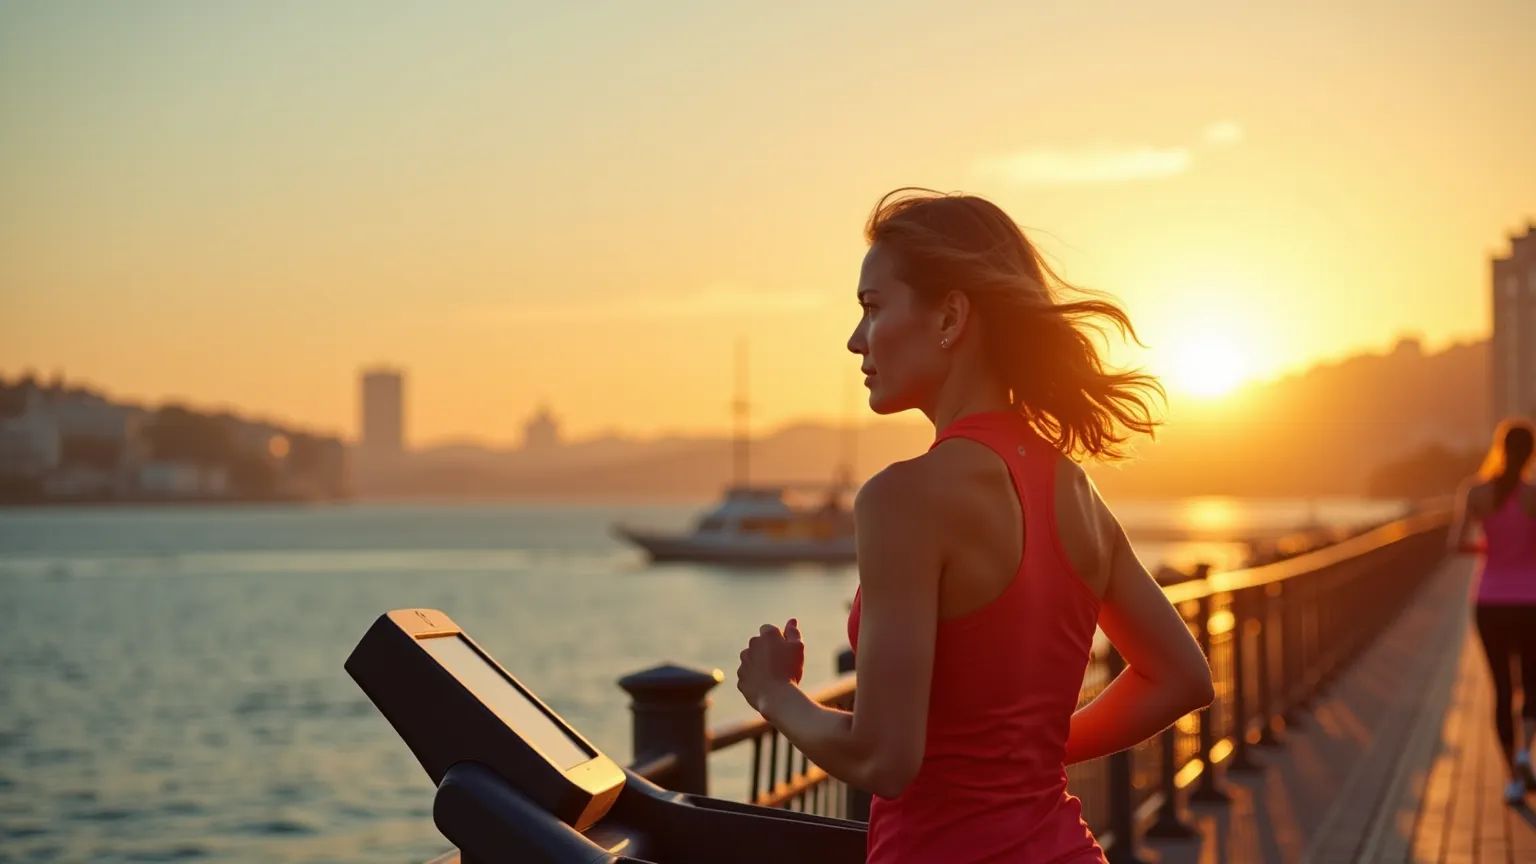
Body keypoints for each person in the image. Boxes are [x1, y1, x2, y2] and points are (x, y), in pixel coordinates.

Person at [735, 188, 1215, 863]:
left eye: (873, 308)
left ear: (950, 317)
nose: (855, 339)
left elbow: (882, 758)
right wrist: (1027, 752)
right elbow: (1180, 677)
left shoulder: (903, 499)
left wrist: (773, 694)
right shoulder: (1074, 491)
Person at [1450, 418, 1536, 806]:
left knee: (1502, 687)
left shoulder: (1475, 492)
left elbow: (1455, 545)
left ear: (1499, 448)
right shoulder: (1534, 496)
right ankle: (1524, 756)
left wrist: (1489, 549)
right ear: (1531, 453)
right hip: (1530, 602)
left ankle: (1512, 777)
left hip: (1489, 601)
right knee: (1532, 684)